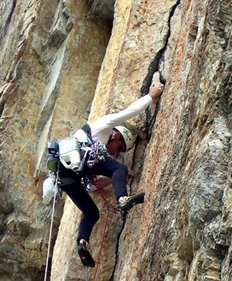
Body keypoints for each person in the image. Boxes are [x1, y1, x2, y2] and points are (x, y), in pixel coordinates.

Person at [54, 82, 164, 267]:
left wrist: (115, 179)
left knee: (91, 212)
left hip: (64, 176)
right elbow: (128, 113)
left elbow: (91, 186)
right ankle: (122, 200)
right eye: (119, 147)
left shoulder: (93, 150)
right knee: (118, 168)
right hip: (78, 160)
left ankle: (82, 244)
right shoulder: (102, 128)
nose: (115, 152)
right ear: (116, 136)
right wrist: (151, 96)